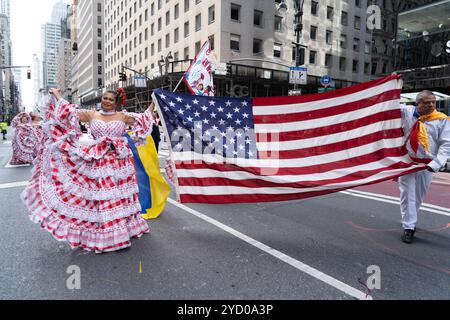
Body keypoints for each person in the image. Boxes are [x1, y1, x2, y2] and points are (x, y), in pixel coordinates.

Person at [21, 88, 155, 253]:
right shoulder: (92, 114)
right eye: (104, 98)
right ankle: (104, 230)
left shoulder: (123, 116)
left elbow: (144, 118)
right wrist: (57, 95)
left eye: (110, 99)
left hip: (118, 161)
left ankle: (121, 229)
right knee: (99, 196)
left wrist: (155, 100)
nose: (106, 101)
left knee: (117, 197)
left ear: (117, 102)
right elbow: (68, 113)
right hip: (97, 160)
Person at [399, 90, 450, 243]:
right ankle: (409, 227)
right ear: (418, 103)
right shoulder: (406, 112)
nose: (431, 105)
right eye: (427, 102)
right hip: (408, 161)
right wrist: (394, 84)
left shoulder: (441, 119)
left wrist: (435, 164)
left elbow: (446, 144)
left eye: (433, 102)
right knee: (407, 194)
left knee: (419, 195)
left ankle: (410, 218)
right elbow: (389, 104)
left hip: (427, 165)